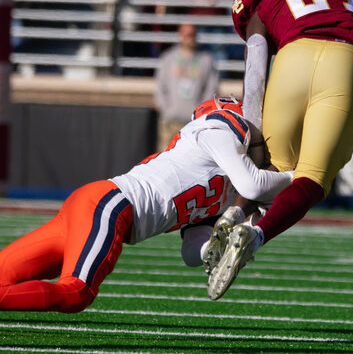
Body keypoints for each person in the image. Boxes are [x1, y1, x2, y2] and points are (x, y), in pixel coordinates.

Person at [205, 0, 353, 300]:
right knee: (311, 179)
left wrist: (254, 133)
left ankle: (234, 213)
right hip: (345, 61)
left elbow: (255, 74)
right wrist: (347, 93)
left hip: (290, 65)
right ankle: (254, 236)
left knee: (274, 168)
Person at [0, 96, 293, 313]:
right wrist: (303, 177)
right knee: (77, 292)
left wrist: (214, 251)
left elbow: (192, 249)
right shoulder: (213, 130)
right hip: (111, 207)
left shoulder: (226, 187)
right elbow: (254, 184)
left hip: (96, 204)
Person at [154, 23, 219, 151]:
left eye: (192, 35)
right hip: (170, 120)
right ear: (180, 36)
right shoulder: (169, 58)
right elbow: (160, 87)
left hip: (194, 122)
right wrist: (166, 109)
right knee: (165, 157)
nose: (189, 38)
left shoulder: (206, 60)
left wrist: (201, 113)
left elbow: (211, 89)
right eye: (186, 35)